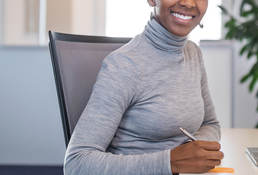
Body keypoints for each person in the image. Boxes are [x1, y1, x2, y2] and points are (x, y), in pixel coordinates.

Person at [64, 0, 223, 174]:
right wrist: (170, 162)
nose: (188, 3)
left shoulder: (193, 53)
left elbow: (210, 124)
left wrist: (192, 151)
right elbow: (76, 163)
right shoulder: (123, 65)